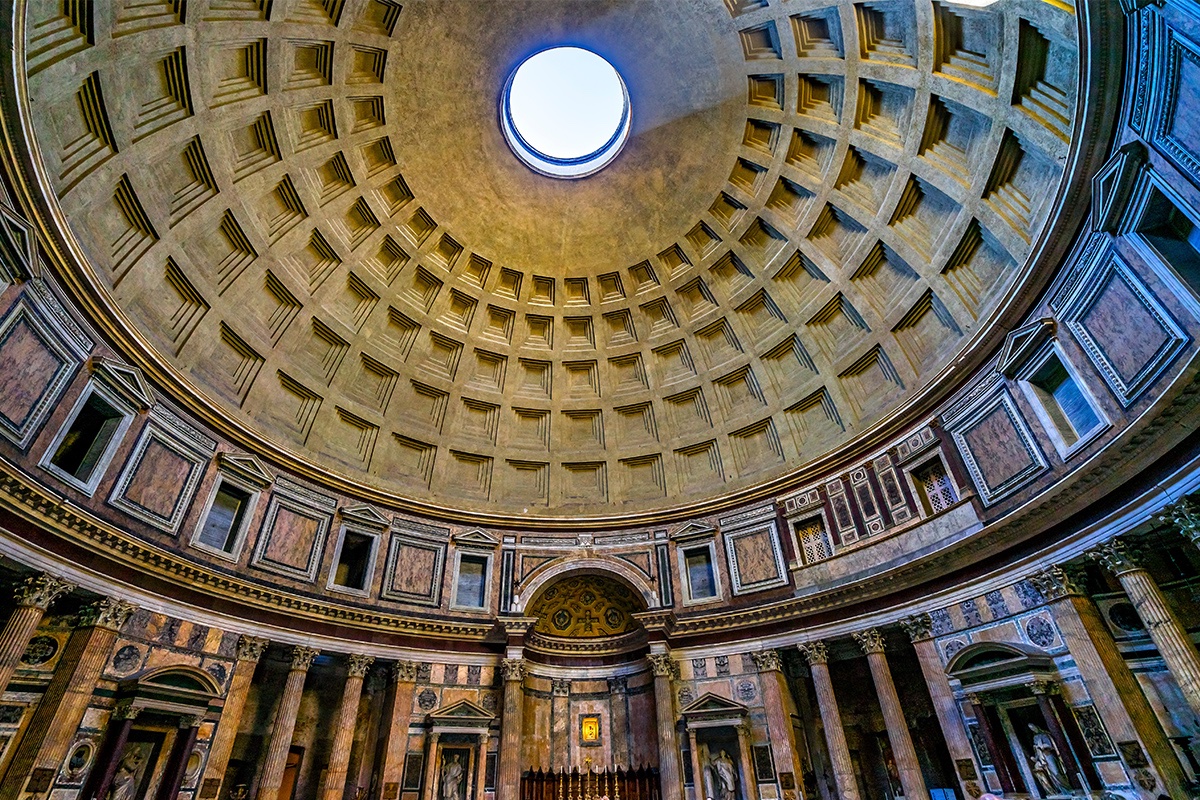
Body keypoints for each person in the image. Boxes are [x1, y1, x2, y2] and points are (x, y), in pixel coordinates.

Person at [1028, 723, 1070, 795]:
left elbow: (1051, 745)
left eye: (1033, 727)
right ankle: (1058, 790)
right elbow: (1036, 750)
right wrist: (1036, 757)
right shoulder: (1035, 737)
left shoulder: (1045, 734)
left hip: (1048, 754)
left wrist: (1042, 746)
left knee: (1056, 772)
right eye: (1031, 729)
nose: (1033, 729)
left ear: (1037, 726)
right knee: (1050, 774)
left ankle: (1067, 788)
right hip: (1041, 756)